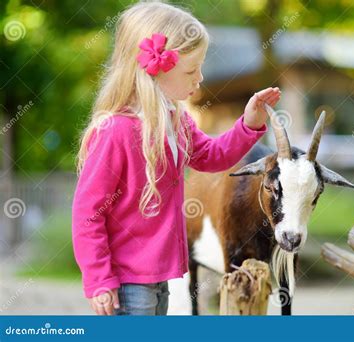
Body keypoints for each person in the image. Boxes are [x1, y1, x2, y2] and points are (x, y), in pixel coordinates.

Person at [72, 1, 281, 316]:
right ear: (157, 69)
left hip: (159, 278)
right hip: (127, 284)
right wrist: (99, 278)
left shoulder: (177, 122)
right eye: (191, 69)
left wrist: (248, 124)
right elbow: (88, 214)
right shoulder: (115, 131)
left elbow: (213, 156)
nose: (199, 78)